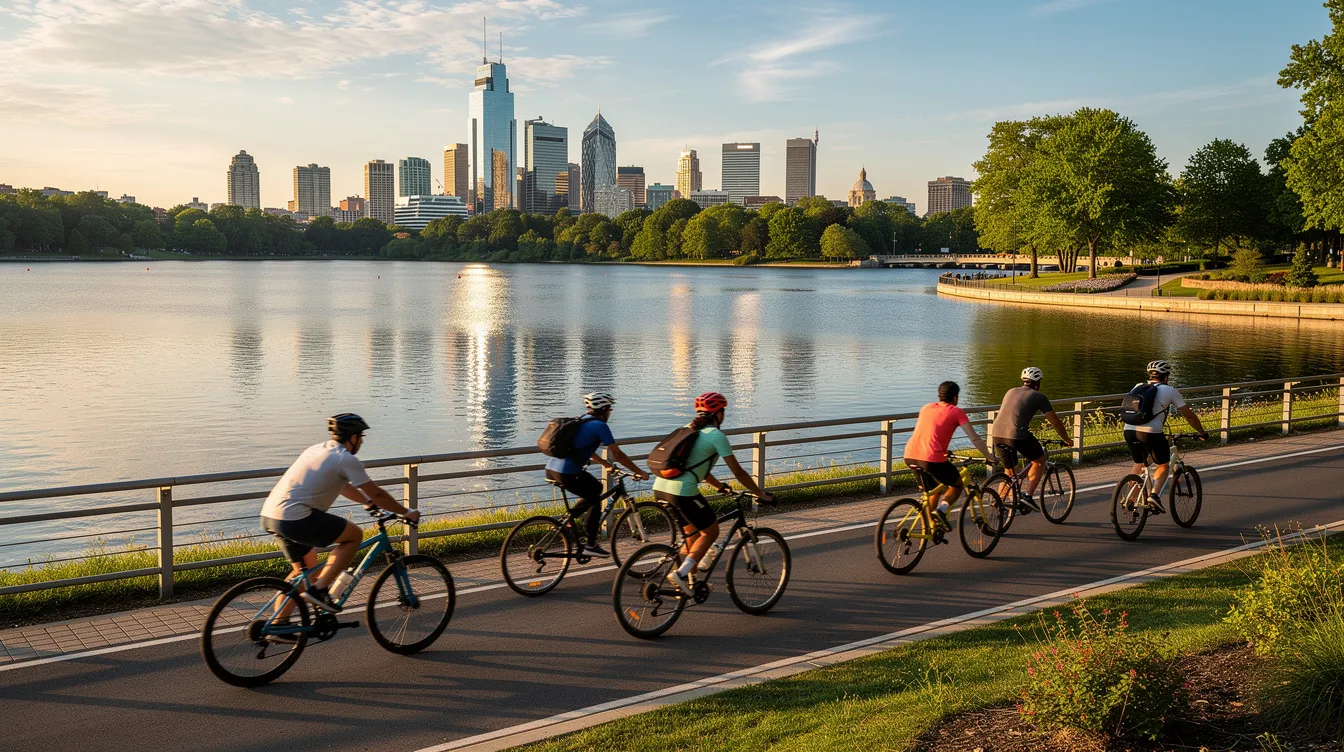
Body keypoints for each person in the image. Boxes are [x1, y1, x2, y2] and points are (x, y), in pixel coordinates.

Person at [259, 413, 418, 620]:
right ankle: (320, 590)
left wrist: (367, 503)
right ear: (352, 438)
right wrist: (407, 512)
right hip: (295, 518)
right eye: (360, 437)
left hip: (271, 515)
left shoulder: (316, 450)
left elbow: (343, 486)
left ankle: (278, 624)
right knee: (353, 535)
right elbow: (377, 493)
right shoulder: (346, 459)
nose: (361, 441)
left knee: (305, 572)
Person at [652, 392, 773, 595]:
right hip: (682, 492)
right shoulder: (716, 436)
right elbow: (739, 472)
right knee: (711, 532)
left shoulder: (687, 429)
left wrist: (718, 486)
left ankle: (689, 583)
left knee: (692, 538)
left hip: (661, 487)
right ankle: (680, 575)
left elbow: (698, 468)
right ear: (720, 413)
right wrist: (760, 494)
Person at [544, 392, 649, 556]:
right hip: (567, 472)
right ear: (604, 409)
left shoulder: (582, 420)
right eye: (609, 410)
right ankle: (590, 545)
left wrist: (605, 464)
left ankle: (568, 522)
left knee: (595, 489)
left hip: (552, 469)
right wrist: (640, 471)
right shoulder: (600, 426)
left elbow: (586, 448)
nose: (610, 413)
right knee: (595, 494)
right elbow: (619, 454)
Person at [902, 381, 994, 531]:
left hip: (910, 455)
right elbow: (975, 438)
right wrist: (989, 455)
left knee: (934, 491)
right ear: (956, 397)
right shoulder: (956, 411)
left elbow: (930, 432)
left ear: (939, 395)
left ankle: (928, 528)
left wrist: (943, 450)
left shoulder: (926, 407)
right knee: (957, 485)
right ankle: (941, 511)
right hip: (931, 458)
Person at [1125, 361, 1209, 507]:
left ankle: (1130, 498)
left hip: (1129, 430)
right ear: (1166, 376)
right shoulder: (1170, 390)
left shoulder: (1137, 387)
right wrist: (1201, 432)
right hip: (1150, 432)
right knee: (1163, 464)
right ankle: (1154, 496)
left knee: (1140, 462)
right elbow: (1189, 415)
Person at [989, 367, 1072, 508]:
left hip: (997, 433)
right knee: (1039, 460)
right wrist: (1066, 439)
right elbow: (1055, 422)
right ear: (1038, 382)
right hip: (1017, 435)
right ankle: (1028, 496)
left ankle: (1001, 503)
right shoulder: (1039, 396)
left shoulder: (1011, 391)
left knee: (1010, 472)